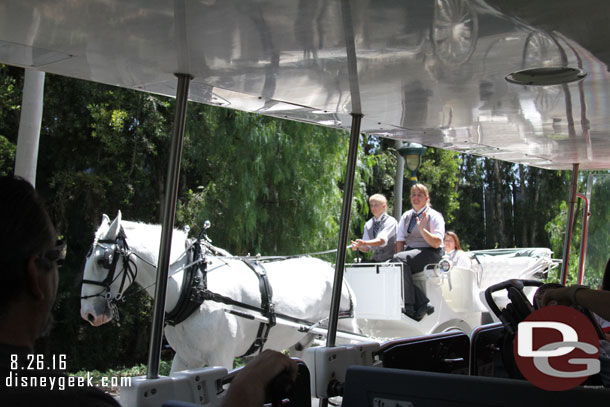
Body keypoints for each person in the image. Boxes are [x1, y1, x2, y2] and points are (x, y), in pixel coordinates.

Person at [393, 183, 445, 321]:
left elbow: (437, 242)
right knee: (388, 266)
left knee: (398, 261)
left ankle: (409, 305)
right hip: (411, 253)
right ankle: (423, 303)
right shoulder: (406, 216)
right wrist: (397, 260)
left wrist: (423, 230)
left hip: (431, 252)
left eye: (419, 195)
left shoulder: (434, 216)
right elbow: (400, 241)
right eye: (413, 195)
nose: (415, 198)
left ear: (426, 198)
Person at [351, 194, 397, 262]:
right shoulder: (368, 224)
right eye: (371, 205)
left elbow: (381, 241)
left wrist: (364, 243)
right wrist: (358, 246)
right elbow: (367, 248)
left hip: (390, 260)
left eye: (376, 205)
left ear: (384, 206)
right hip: (375, 260)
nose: (373, 208)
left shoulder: (391, 221)